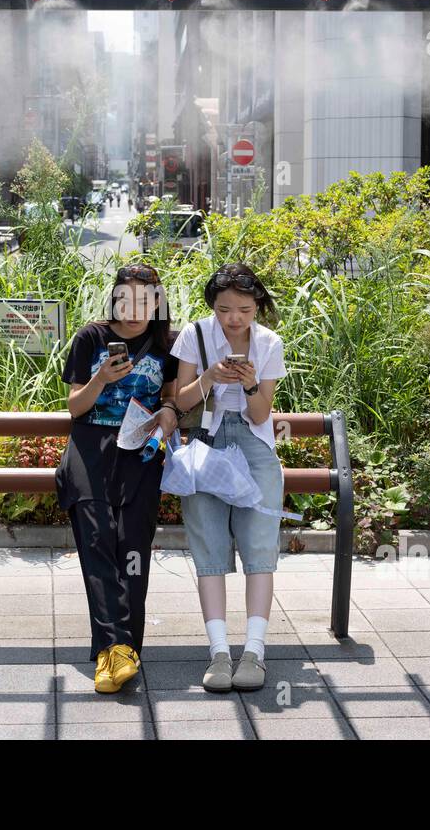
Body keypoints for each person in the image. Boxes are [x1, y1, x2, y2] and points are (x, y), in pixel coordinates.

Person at [55, 264, 180, 694]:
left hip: (139, 450)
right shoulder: (91, 338)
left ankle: (120, 650)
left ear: (157, 303)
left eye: (144, 302)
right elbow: (74, 407)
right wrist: (100, 379)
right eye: (124, 300)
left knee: (133, 547)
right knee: (97, 543)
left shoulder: (167, 345)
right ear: (113, 300)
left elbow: (170, 398)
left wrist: (169, 410)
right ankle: (117, 648)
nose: (133, 311)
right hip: (90, 449)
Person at [170, 262, 287, 693]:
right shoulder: (195, 335)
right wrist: (208, 378)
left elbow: (261, 416)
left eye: (243, 308)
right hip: (206, 443)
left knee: (259, 549)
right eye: (223, 309)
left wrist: (253, 385)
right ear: (212, 307)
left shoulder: (269, 343)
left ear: (257, 305)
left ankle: (253, 652)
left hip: (254, 448)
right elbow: (181, 402)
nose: (233, 318)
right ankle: (219, 652)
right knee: (209, 549)